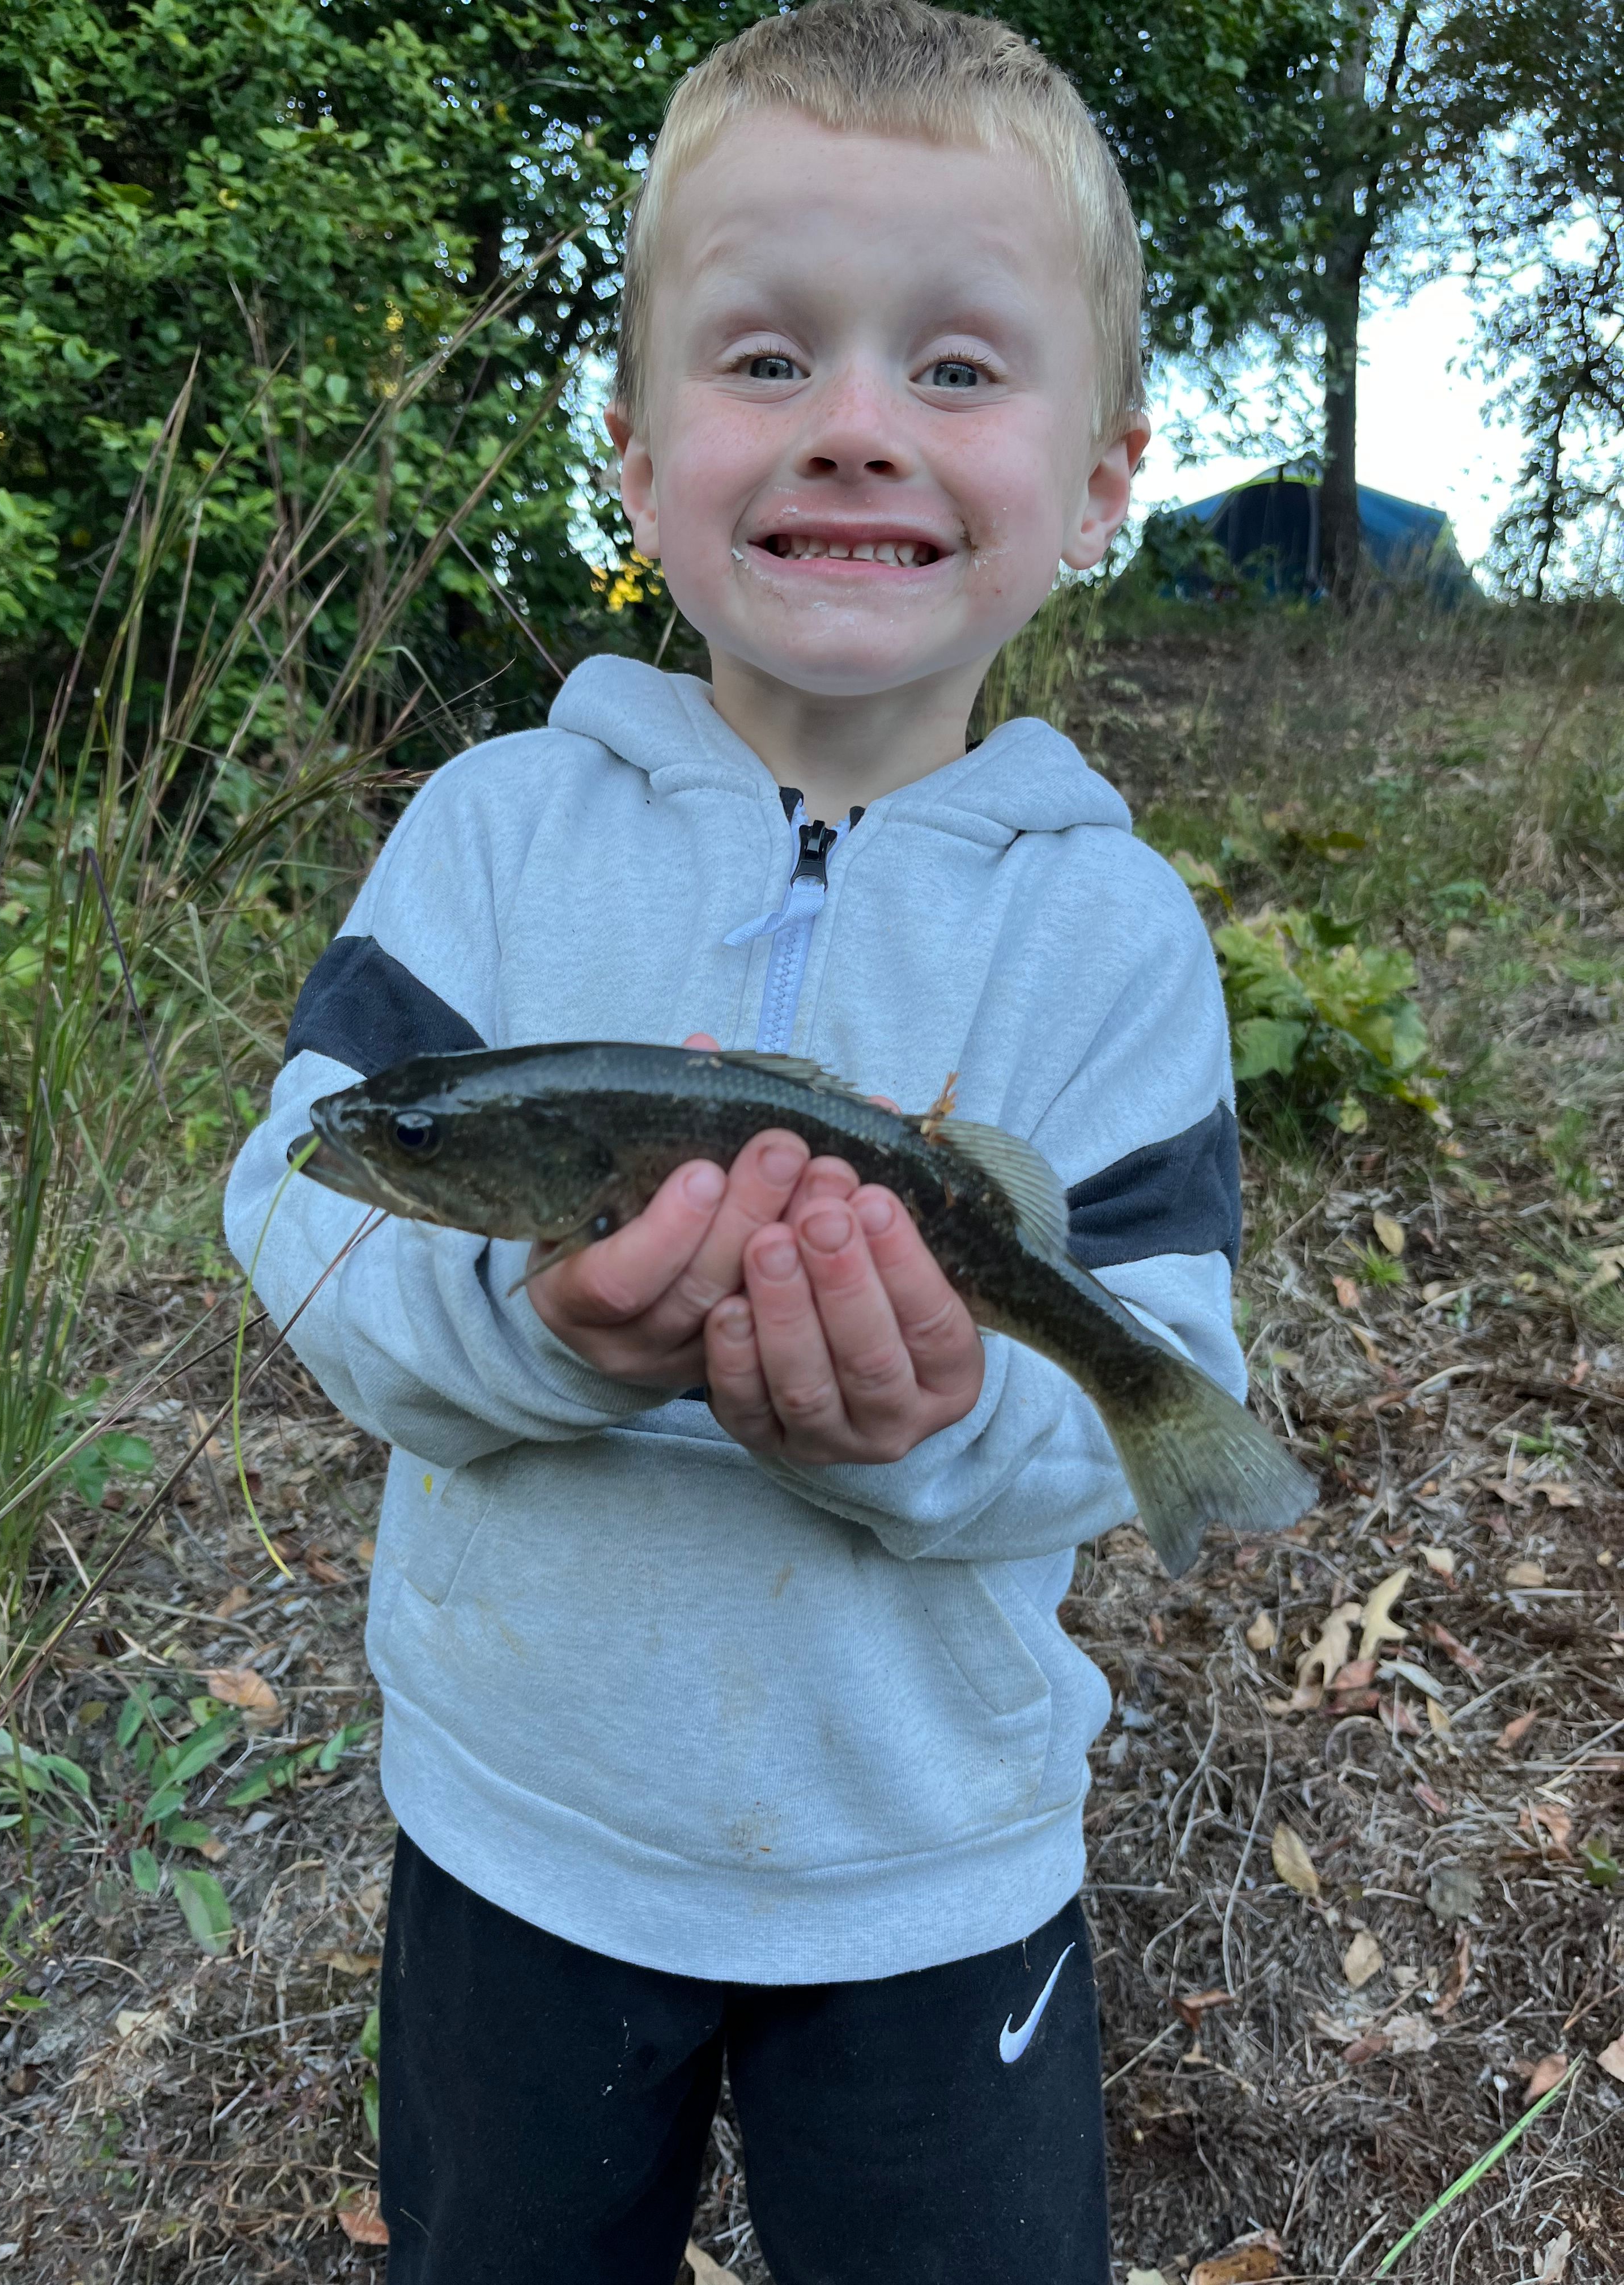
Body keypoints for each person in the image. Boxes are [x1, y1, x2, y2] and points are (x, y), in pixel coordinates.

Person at [224, 3, 1249, 2276]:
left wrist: (947, 1412)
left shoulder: (1113, 935)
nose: (858, 427)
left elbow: (1164, 1363)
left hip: (936, 1869)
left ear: (1103, 483)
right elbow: (302, 1189)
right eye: (767, 359)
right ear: (631, 445)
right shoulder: (489, 838)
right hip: (519, 1837)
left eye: (959, 371)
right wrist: (548, 1341)